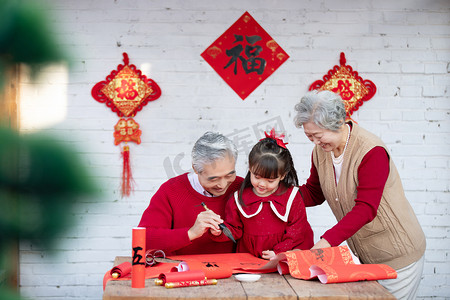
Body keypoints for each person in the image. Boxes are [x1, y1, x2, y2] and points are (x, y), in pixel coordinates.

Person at [293, 90, 426, 299]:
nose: (315, 142)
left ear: (336, 123)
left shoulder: (371, 151)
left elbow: (366, 208)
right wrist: (279, 197)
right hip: (368, 257)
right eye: (309, 136)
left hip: (398, 256)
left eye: (318, 135)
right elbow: (314, 192)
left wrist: (326, 242)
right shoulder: (321, 152)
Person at [210, 129, 314, 260]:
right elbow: (234, 229)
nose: (262, 184)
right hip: (248, 257)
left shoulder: (292, 197)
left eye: (270, 180)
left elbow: (297, 231)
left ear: (282, 175)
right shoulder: (239, 198)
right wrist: (219, 232)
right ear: (250, 168)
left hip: (283, 257)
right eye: (257, 177)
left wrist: (279, 252)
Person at [138, 131, 244, 255]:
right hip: (182, 272)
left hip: (235, 272)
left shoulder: (242, 188)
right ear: (195, 169)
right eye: (213, 179)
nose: (223, 185)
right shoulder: (171, 191)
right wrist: (191, 233)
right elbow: (143, 240)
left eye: (229, 175)